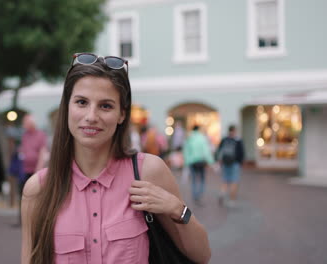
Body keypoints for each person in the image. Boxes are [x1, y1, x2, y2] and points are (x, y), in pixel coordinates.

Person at [21, 53, 210, 264]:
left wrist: (177, 209)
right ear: (67, 107)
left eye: (106, 106)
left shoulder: (148, 172)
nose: (91, 116)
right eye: (82, 102)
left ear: (122, 114)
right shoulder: (38, 191)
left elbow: (202, 256)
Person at [183, 125, 215, 206]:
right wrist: (211, 162)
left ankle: (194, 194)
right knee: (202, 178)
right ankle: (200, 193)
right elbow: (206, 151)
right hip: (201, 161)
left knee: (194, 179)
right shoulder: (202, 138)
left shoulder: (189, 138)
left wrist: (187, 161)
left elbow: (186, 150)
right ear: (198, 129)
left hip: (192, 162)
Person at [19, 114, 47, 202]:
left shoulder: (40, 135)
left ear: (32, 123)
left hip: (35, 171)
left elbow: (43, 153)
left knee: (35, 196)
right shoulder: (25, 135)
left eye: (25, 122)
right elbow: (22, 149)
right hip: (24, 170)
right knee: (24, 195)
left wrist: (38, 170)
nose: (23, 124)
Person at [216, 125, 245, 208]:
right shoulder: (238, 140)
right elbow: (242, 153)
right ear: (235, 131)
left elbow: (219, 150)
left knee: (225, 180)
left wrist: (219, 161)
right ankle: (232, 200)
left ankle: (222, 192)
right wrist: (240, 162)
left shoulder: (225, 139)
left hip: (225, 163)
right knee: (234, 182)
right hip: (235, 163)